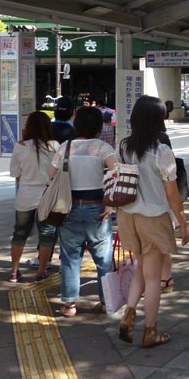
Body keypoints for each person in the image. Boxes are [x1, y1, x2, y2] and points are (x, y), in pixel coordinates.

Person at [117, 96, 189, 347]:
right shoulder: (162, 151)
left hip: (128, 216)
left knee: (142, 268)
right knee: (153, 277)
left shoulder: (123, 146)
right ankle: (150, 331)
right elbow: (172, 194)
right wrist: (183, 222)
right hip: (153, 218)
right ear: (159, 121)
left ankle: (128, 314)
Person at [50, 105, 117, 318]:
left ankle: (69, 304)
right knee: (103, 258)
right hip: (98, 206)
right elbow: (118, 176)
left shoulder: (65, 148)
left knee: (70, 257)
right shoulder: (103, 148)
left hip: (68, 207)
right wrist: (110, 205)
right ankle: (106, 301)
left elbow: (51, 176)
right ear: (98, 127)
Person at [8, 111, 59, 283]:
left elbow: (16, 174)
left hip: (25, 196)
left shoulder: (20, 146)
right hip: (47, 197)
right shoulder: (55, 146)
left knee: (19, 234)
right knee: (46, 235)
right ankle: (42, 270)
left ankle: (14, 272)